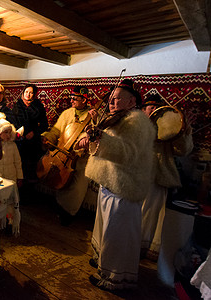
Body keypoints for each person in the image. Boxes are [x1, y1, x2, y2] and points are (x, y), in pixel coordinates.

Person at [75, 79, 155, 291]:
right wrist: (89, 137)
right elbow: (102, 140)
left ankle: (114, 277)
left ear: (132, 102)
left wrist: (100, 137)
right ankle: (103, 261)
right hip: (110, 182)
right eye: (111, 98)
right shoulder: (116, 119)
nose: (112, 102)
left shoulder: (137, 122)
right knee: (106, 229)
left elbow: (127, 153)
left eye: (118, 98)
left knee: (117, 233)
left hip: (124, 186)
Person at [140, 94, 194, 260]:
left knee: (151, 214)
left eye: (158, 108)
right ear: (143, 110)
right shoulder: (136, 126)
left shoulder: (169, 128)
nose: (155, 110)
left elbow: (183, 150)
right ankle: (129, 243)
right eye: (151, 107)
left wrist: (183, 131)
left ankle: (143, 247)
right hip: (137, 175)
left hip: (159, 176)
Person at [40, 86, 91, 225]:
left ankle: (68, 212)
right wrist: (48, 137)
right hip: (62, 153)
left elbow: (92, 139)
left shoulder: (92, 115)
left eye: (76, 99)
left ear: (84, 100)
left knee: (79, 181)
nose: (72, 101)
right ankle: (57, 206)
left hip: (80, 158)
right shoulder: (67, 113)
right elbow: (56, 131)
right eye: (72, 98)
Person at [12, 84, 48, 196]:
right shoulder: (17, 106)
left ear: (34, 94)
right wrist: (20, 134)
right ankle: (20, 195)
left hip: (33, 141)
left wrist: (34, 132)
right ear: (23, 93)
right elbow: (13, 123)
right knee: (20, 167)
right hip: (20, 141)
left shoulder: (38, 106)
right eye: (26, 91)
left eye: (31, 92)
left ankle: (30, 195)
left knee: (32, 168)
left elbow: (44, 125)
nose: (28, 94)